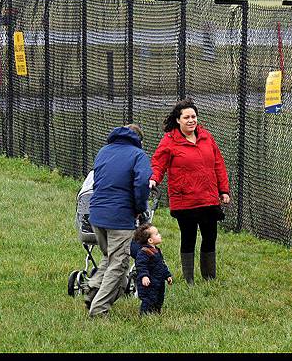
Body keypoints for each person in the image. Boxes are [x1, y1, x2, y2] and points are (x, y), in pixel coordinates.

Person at [149, 98, 230, 284]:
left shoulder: (206, 137)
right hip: (185, 200)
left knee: (210, 238)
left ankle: (209, 277)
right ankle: (189, 280)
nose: (191, 120)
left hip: (208, 198)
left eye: (194, 116)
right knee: (189, 238)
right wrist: (153, 179)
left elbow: (218, 164)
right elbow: (158, 164)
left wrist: (223, 190)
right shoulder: (169, 141)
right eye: (186, 117)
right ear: (178, 120)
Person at [84, 124, 152, 317]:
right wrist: (139, 209)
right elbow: (141, 184)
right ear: (139, 140)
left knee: (109, 256)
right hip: (120, 217)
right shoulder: (138, 155)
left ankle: (93, 288)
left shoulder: (104, 151)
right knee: (119, 263)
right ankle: (99, 309)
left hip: (96, 213)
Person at [133, 223, 173, 315]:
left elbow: (162, 264)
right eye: (157, 234)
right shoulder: (144, 252)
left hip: (158, 281)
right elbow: (141, 265)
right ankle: (144, 314)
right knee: (148, 299)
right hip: (149, 282)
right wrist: (144, 276)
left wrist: (167, 275)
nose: (160, 235)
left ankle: (156, 313)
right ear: (150, 240)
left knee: (159, 298)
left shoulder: (157, 250)